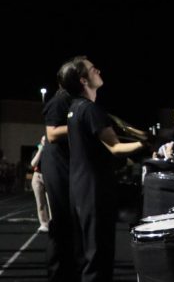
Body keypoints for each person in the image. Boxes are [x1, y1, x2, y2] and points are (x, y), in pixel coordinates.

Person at [60, 56, 146, 282]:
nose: (97, 69)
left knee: (88, 255)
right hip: (94, 190)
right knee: (99, 255)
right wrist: (146, 144)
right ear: (83, 80)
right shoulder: (90, 110)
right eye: (91, 69)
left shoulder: (74, 109)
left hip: (79, 188)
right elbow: (115, 148)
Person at [42, 83, 76, 282]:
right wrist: (80, 121)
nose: (97, 71)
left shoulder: (73, 100)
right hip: (58, 165)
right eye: (91, 69)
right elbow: (52, 133)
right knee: (62, 223)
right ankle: (58, 274)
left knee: (70, 224)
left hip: (67, 165)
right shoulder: (60, 99)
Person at [31, 135, 50, 232]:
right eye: (43, 140)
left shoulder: (51, 152)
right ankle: (44, 224)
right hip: (37, 176)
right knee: (40, 203)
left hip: (49, 177)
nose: (44, 142)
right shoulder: (36, 152)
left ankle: (54, 222)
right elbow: (33, 164)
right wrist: (40, 150)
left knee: (51, 202)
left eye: (46, 140)